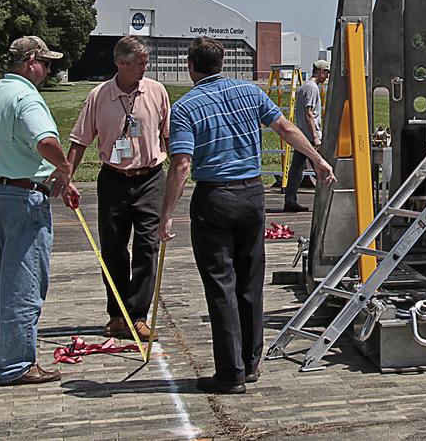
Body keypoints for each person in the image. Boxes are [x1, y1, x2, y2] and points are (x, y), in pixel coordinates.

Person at [160, 37, 335, 394]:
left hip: (214, 197)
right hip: (251, 194)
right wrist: (317, 160)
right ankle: (251, 363)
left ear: (191, 65)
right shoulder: (250, 94)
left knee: (220, 284)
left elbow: (181, 163)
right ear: (222, 62)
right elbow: (285, 128)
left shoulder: (186, 107)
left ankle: (230, 372)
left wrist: (165, 214)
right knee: (250, 280)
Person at [0, 36, 78, 386]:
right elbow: (46, 142)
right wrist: (65, 170)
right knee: (22, 283)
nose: (50, 70)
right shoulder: (27, 97)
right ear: (32, 62)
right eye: (48, 63)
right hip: (22, 199)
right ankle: (17, 363)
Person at [67, 35, 170, 341]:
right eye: (140, 63)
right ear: (121, 64)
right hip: (113, 179)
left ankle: (138, 314)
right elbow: (79, 140)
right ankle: (117, 314)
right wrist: (66, 177)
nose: (145, 68)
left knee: (147, 247)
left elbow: (170, 136)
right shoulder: (99, 96)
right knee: (112, 248)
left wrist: (180, 169)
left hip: (150, 177)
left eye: (146, 62)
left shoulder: (156, 92)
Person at [285, 59, 329, 212]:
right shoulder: (312, 88)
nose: (327, 77)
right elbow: (309, 112)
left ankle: (290, 200)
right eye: (327, 73)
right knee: (321, 166)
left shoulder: (304, 86)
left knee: (297, 168)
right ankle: (329, 199)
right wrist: (316, 135)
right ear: (321, 71)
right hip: (309, 136)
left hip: (302, 134)